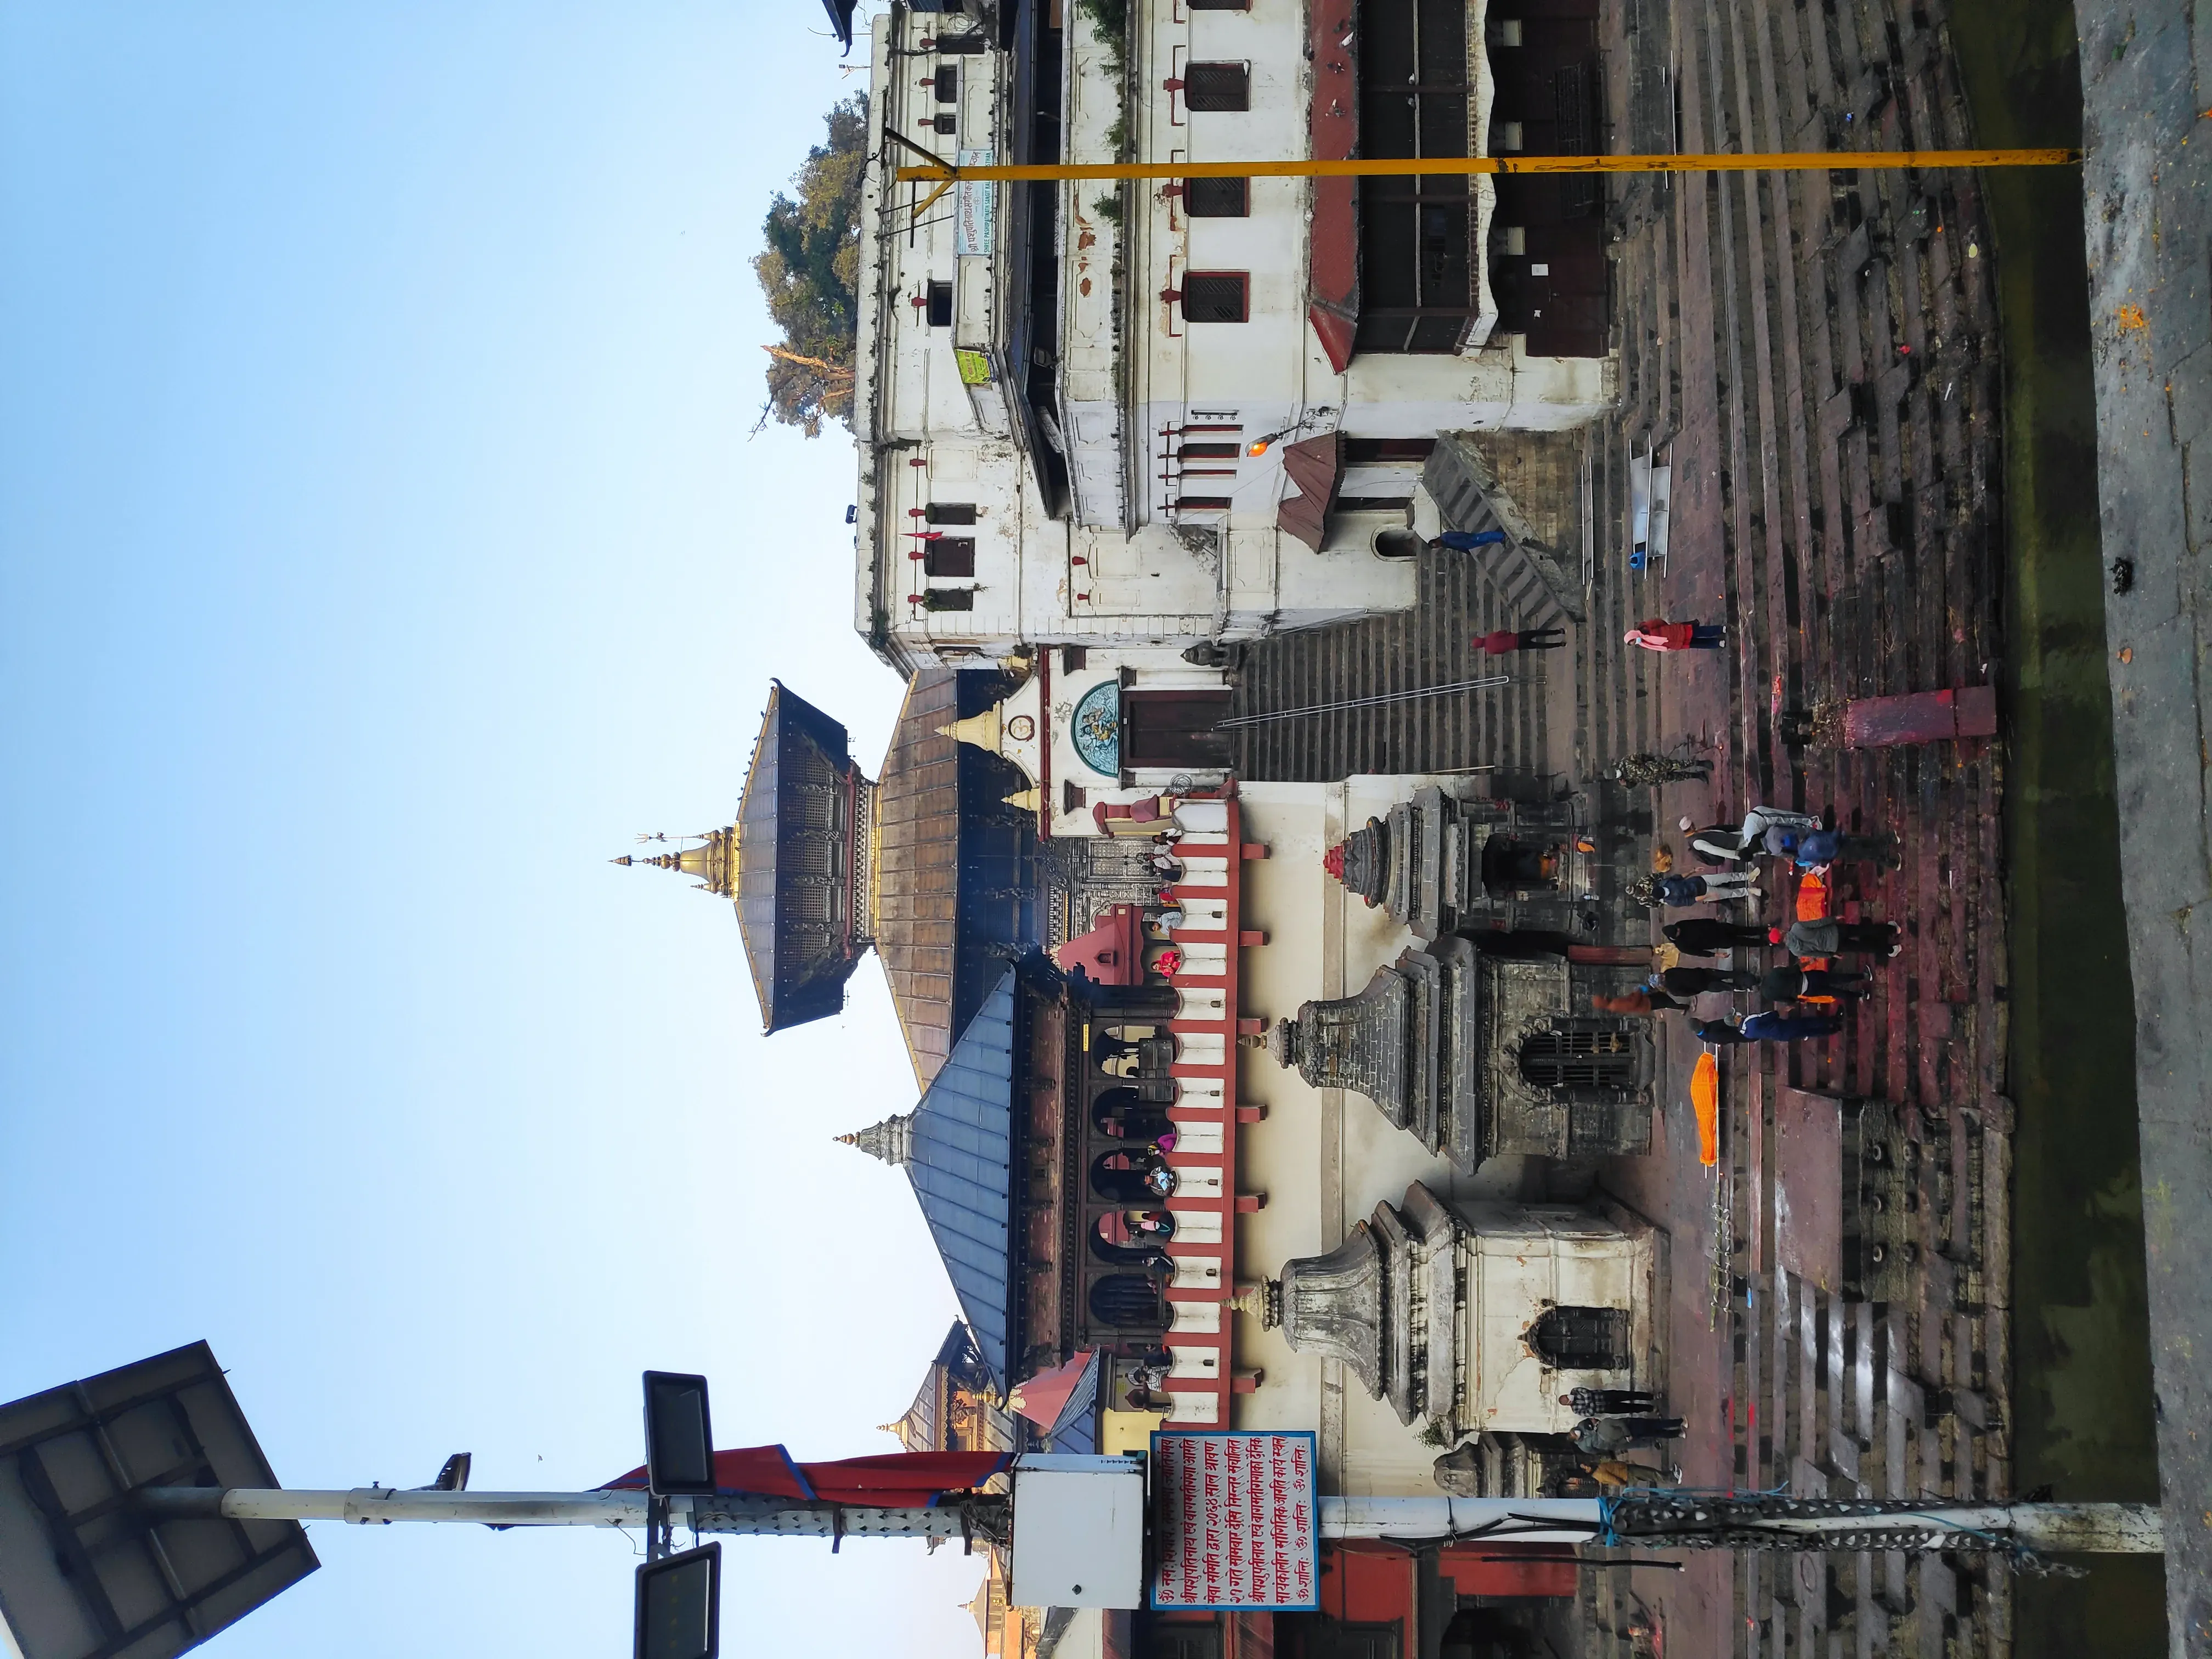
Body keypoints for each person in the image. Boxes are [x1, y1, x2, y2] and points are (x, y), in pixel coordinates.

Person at [1762, 824, 1902, 868]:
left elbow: (1821, 863)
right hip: (1840, 842)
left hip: (1837, 854)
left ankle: (1890, 850)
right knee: (1866, 846)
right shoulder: (1811, 836)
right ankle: (1890, 854)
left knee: (1866, 854)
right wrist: (1838, 826)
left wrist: (1828, 858)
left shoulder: (1803, 855)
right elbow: (1831, 838)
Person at [1776, 918, 1903, 959]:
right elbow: (1819, 923)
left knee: (1863, 948)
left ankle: (1891, 949)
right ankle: (1892, 929)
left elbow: (1817, 954)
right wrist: (1833, 918)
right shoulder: (1797, 927)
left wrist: (1832, 955)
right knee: (1864, 930)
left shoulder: (1795, 952)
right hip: (1836, 931)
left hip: (1834, 947)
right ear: (1781, 932)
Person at [1694, 1011, 1846, 1043]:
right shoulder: (1750, 1020)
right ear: (1736, 1018)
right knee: (1808, 1023)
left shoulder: (1746, 1034)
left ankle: (1833, 1030)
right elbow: (1771, 1015)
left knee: (1809, 1032)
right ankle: (1833, 1019)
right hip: (1783, 1027)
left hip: (1782, 1037)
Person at [1572, 1415, 1686, 1454]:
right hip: (1631, 1427)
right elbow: (1620, 1423)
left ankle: (1678, 1434)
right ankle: (1680, 1423)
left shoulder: (1603, 1437)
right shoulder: (1605, 1423)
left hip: (1627, 1437)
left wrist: (1627, 1437)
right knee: (1657, 1425)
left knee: (1655, 1432)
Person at [1760, 964, 1872, 1003]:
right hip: (1809, 978)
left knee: (1834, 992)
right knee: (1837, 979)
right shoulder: (1773, 973)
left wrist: (1797, 999)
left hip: (1807, 991)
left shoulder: (1768, 995)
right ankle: (1863, 976)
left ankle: (1861, 995)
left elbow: (1788, 1000)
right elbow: (1794, 970)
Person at [1650, 870, 1760, 907]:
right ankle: (1749, 891)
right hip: (1703, 893)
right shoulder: (1673, 902)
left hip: (1700, 880)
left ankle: (1748, 876)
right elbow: (1691, 901)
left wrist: (1693, 871)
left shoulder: (1665, 882)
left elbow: (1679, 877)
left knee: (1726, 877)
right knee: (1729, 893)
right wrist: (1707, 897)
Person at [1664, 917, 1770, 956]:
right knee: (1743, 941)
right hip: (1719, 941)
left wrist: (1713, 921)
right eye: (1677, 931)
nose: (1679, 929)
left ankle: (1764, 930)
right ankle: (1765, 943)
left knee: (1743, 930)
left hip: (1719, 928)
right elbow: (1699, 953)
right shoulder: (1682, 946)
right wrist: (1716, 955)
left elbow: (1697, 922)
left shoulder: (1680, 924)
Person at [1624, 618, 1725, 651]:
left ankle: (1719, 630)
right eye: (1633, 643)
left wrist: (1668, 629)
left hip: (1676, 632)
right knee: (1698, 643)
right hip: (1675, 643)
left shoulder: (1645, 628)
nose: (1635, 642)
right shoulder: (1644, 644)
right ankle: (1716, 643)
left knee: (1699, 632)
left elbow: (1659, 622)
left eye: (1633, 640)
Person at [1658, 964, 1761, 996]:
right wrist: (1699, 988)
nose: (1663, 976)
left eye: (1661, 975)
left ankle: (1746, 976)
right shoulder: (1673, 990)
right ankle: (1748, 988)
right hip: (1705, 985)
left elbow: (1683, 969)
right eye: (1661, 978)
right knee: (1728, 987)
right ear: (1662, 983)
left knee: (1728, 974)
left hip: (1705, 973)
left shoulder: (1669, 972)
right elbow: (1688, 993)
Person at [1561, 1387, 1660, 1415]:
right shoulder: (1576, 1410)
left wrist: (1589, 1404)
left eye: (1569, 1397)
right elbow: (1590, 1413)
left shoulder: (1575, 1391)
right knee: (1630, 1408)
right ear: (1568, 1404)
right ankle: (1651, 1409)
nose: (1571, 1398)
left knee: (1630, 1395)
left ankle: (1651, 1397)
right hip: (1606, 1408)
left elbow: (1587, 1392)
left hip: (1605, 1396)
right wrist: (1591, 1403)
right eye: (1569, 1400)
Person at [1474, 626, 1566, 654]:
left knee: (1539, 646)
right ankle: (1558, 631)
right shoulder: (1490, 637)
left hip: (1518, 646)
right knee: (1537, 633)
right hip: (1517, 637)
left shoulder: (1490, 650)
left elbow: (1502, 651)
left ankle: (1560, 644)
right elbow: (1503, 632)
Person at [1592, 989, 1688, 1015]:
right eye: (1603, 998)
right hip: (1647, 1003)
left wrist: (1633, 994)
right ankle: (1683, 1007)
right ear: (1603, 1003)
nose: (1605, 996)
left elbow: (1628, 1001)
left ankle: (1680, 1007)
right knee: (1665, 1001)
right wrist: (1638, 992)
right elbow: (1632, 1004)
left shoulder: (1613, 1003)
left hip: (1645, 1002)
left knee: (1662, 998)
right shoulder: (1615, 1005)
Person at [1436, 528, 1508, 551]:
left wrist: (1468, 536)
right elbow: (1456, 548)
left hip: (1468, 538)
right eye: (1437, 546)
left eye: (1437, 544)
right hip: (1468, 545)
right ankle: (1500, 540)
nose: (1438, 546)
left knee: (1485, 537)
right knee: (1485, 541)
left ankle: (1502, 535)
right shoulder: (1445, 545)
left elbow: (1458, 534)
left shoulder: (1446, 536)